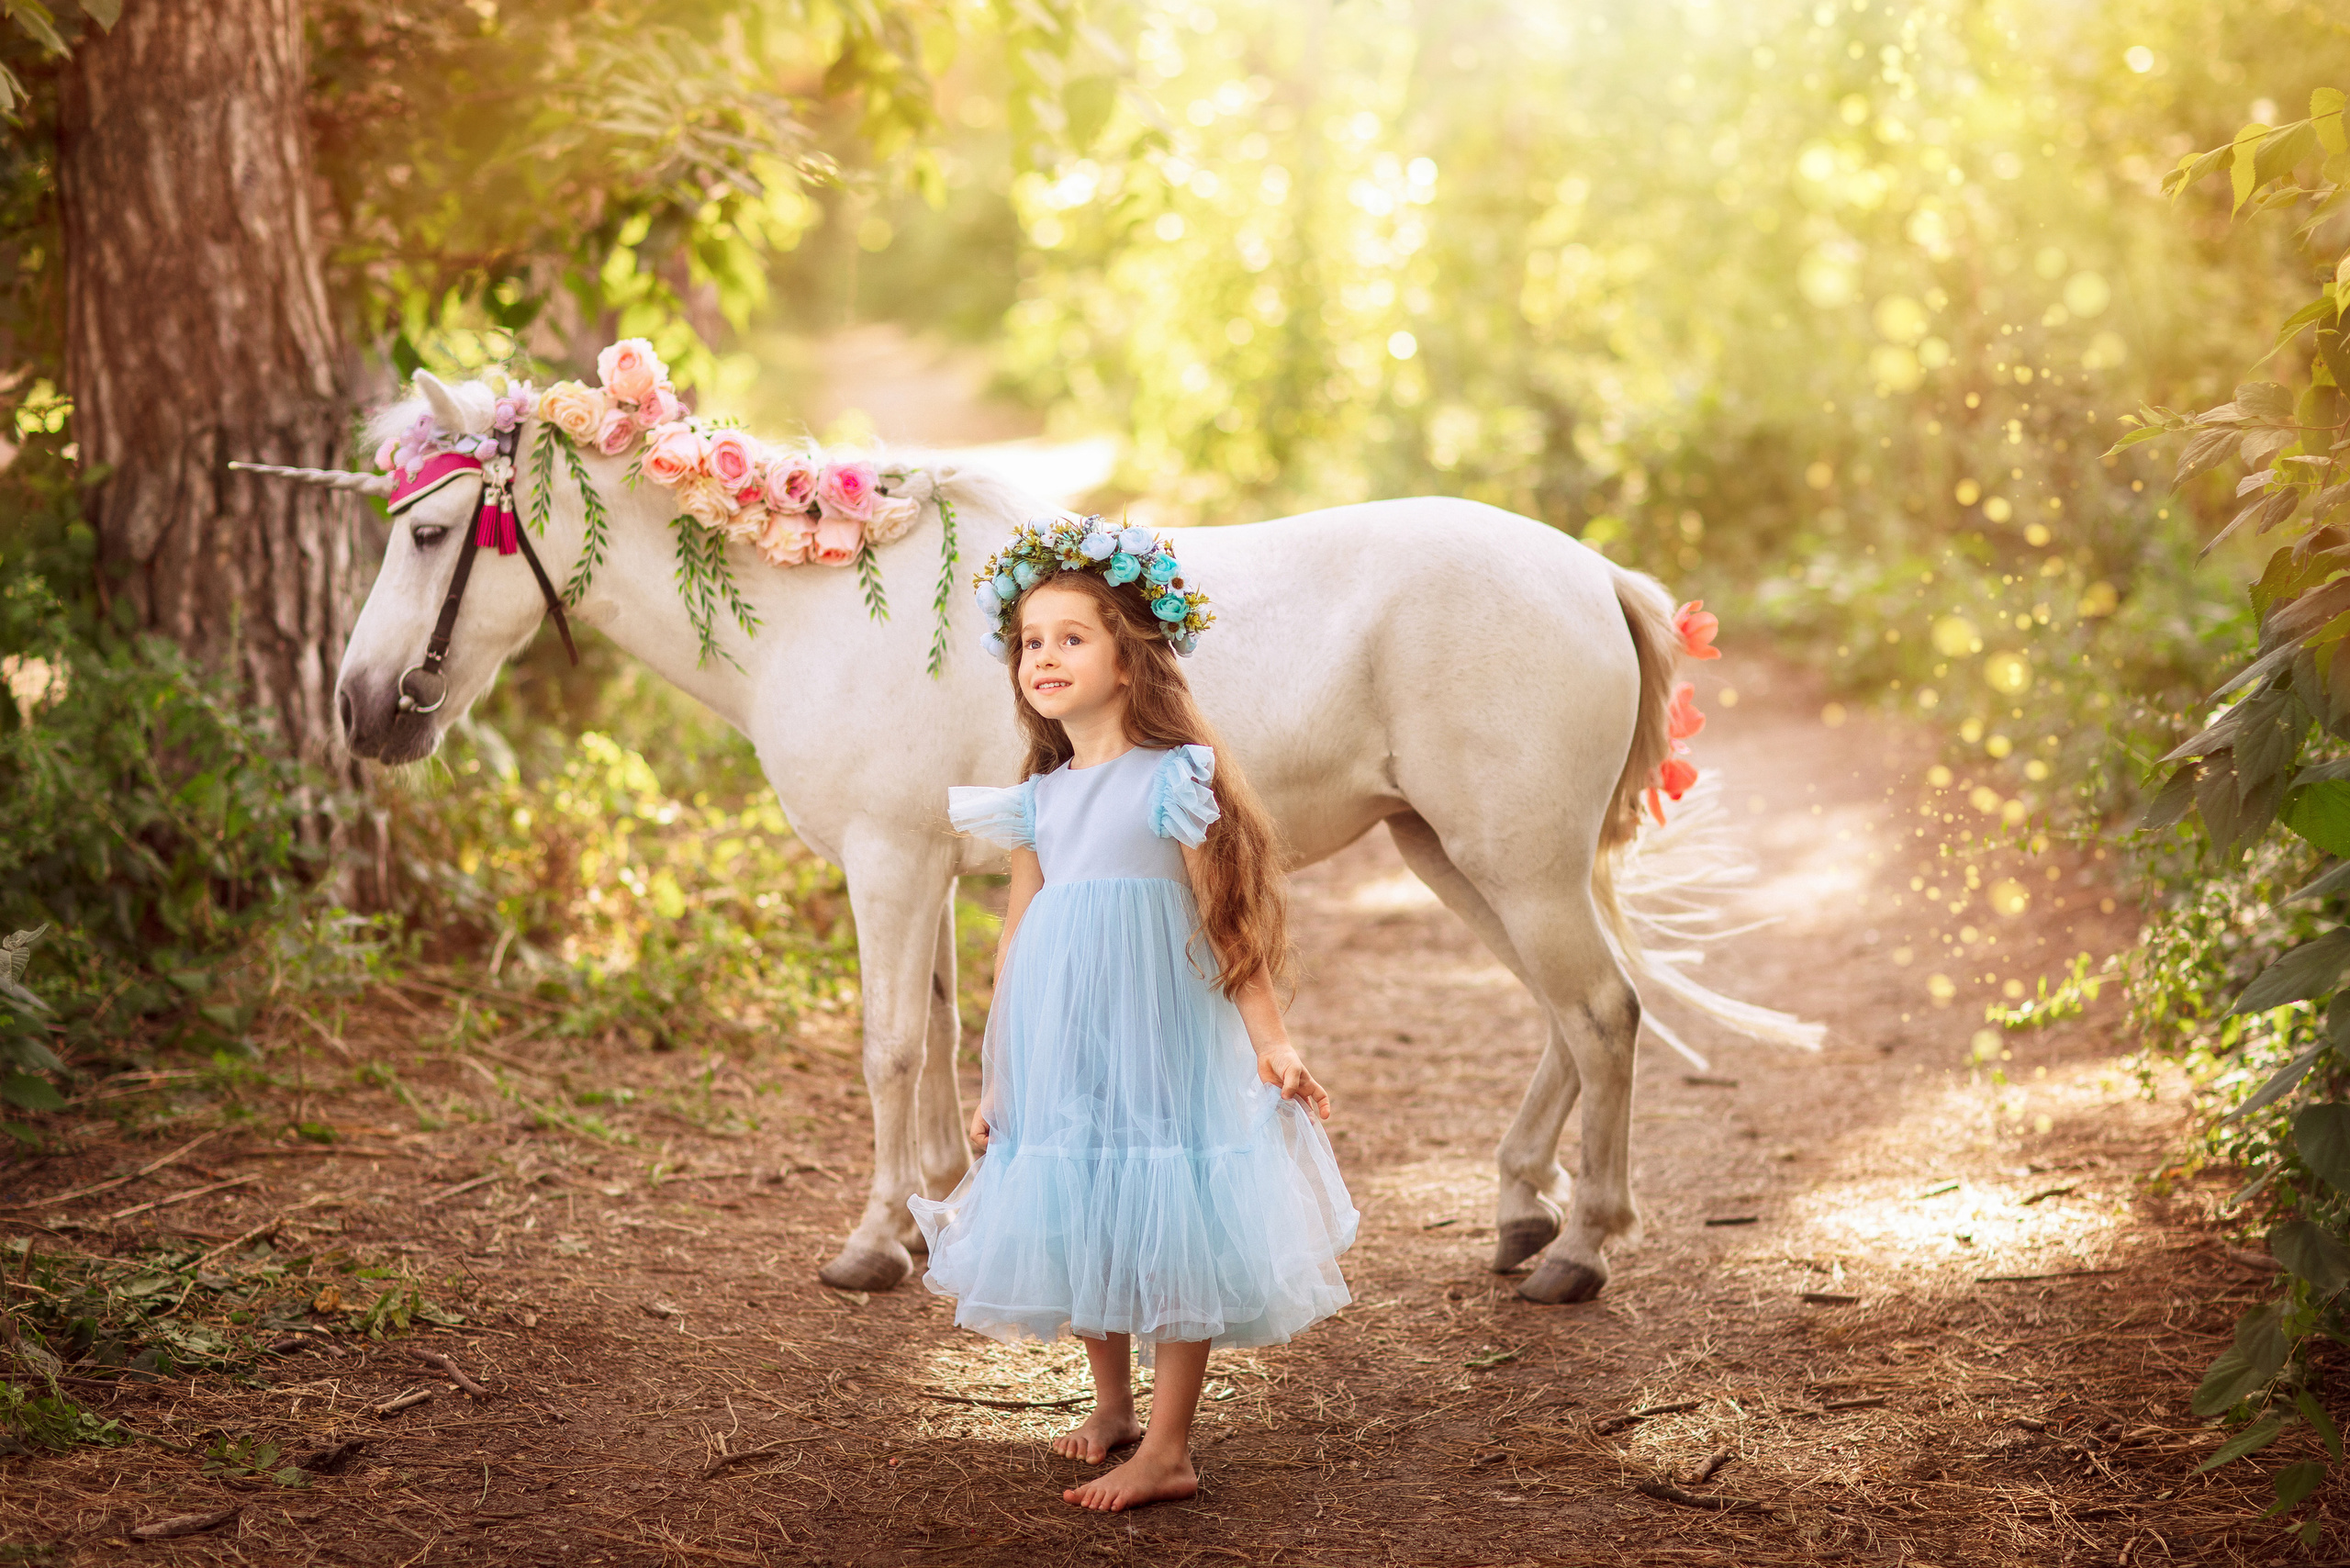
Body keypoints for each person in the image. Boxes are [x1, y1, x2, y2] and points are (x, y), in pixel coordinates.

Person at [910, 515, 1358, 1513]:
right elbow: (1018, 941)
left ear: (1129, 657)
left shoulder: (1175, 779)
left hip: (1161, 1033)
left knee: (1168, 1201)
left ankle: (1168, 1445)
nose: (1044, 657)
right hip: (1064, 1036)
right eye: (1031, 640)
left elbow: (1225, 917)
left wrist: (1272, 1041)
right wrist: (1000, 1075)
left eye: (1072, 636)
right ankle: (1111, 1406)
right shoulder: (1039, 796)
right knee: (1083, 1196)